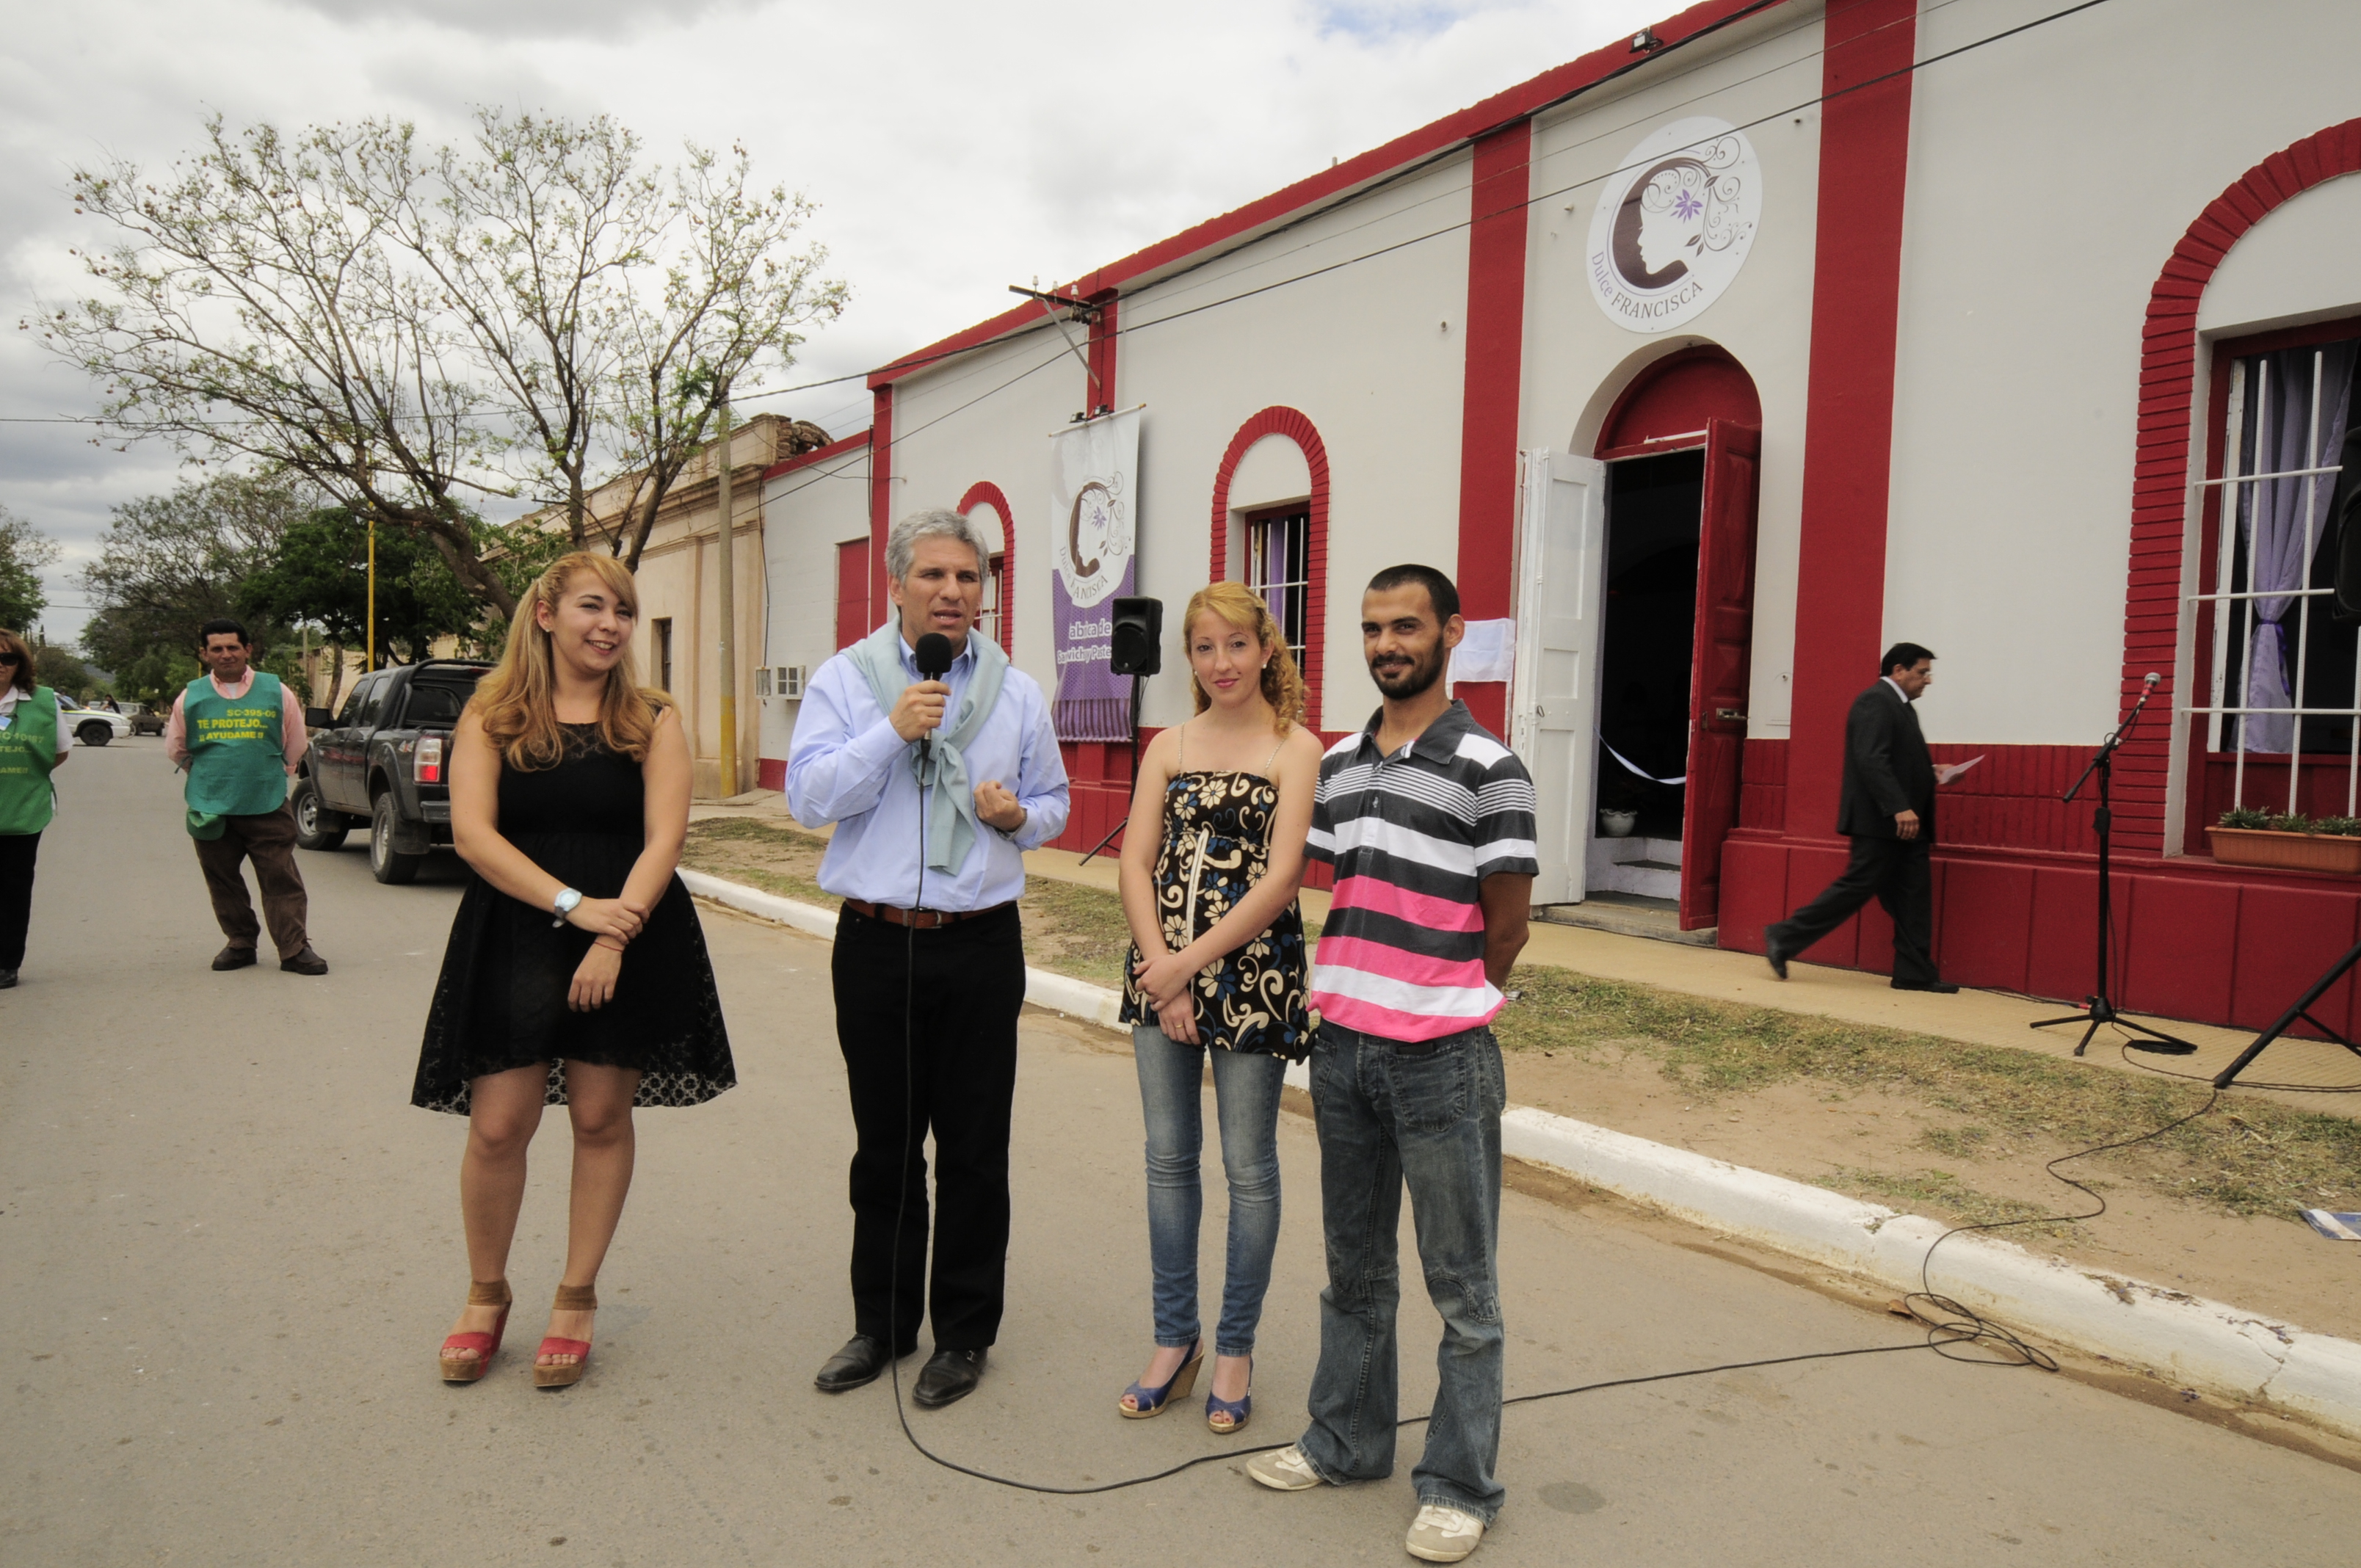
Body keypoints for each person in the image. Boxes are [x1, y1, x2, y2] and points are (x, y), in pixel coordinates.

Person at [1247, 565, 1535, 1567]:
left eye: (1406, 626)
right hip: (1346, 1055)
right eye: (1372, 629)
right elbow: (1337, 884)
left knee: (1464, 1291)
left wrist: (1442, 1000)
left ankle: (1459, 1486)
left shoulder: (1492, 767)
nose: (1386, 644)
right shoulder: (1340, 762)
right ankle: (1346, 1441)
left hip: (1442, 1061)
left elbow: (1508, 927)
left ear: (1451, 631)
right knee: (1354, 1274)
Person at [413, 552, 735, 1389]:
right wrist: (570, 907)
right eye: (595, 607)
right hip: (519, 930)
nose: (611, 626)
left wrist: (611, 934)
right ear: (547, 613)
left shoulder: (652, 717)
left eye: (624, 612)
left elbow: (665, 837)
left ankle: (576, 1296)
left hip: (629, 931)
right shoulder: (492, 712)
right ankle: (486, 1293)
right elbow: (476, 837)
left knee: (598, 1118)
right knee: (498, 1125)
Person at [788, 507, 1070, 1411]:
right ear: (898, 586)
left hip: (980, 943)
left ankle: (963, 1336)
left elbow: (1055, 803)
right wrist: (893, 730)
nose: (953, 593)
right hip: (876, 942)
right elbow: (806, 798)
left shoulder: (1017, 693)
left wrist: (1017, 819)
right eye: (936, 577)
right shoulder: (849, 680)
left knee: (977, 1151)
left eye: (970, 579)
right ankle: (881, 1325)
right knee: (887, 1147)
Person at [1114, 583, 1322, 1433]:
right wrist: (1161, 969)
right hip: (1161, 967)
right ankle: (1175, 1339)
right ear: (1190, 658)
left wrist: (1189, 969)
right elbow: (1135, 861)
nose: (1222, 663)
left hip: (1253, 977)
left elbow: (1282, 879)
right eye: (1205, 647)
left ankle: (1234, 1345)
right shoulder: (1169, 743)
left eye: (1237, 644)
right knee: (1168, 1159)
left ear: (1265, 649)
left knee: (1249, 1168)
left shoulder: (1295, 747)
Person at [1763, 642, 1965, 993]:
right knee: (1857, 887)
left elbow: (1894, 760)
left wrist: (1933, 770)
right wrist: (1899, 807)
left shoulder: (1901, 707)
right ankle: (1783, 936)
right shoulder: (1875, 701)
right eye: (1922, 672)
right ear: (1898, 671)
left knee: (1913, 898)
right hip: (1882, 823)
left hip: (1907, 825)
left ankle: (1914, 973)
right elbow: (1871, 760)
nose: (1927, 680)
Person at [164, 620, 326, 976]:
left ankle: (294, 948)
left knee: (280, 876)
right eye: (217, 649)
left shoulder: (276, 691)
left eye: (233, 647)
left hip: (266, 801)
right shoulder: (190, 696)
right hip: (211, 806)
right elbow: (178, 748)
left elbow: (295, 743)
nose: (226, 655)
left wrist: (264, 773)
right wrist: (214, 775)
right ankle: (240, 943)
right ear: (205, 654)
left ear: (248, 650)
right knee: (222, 878)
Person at [0, 627, 72, 990]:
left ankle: (7, 963)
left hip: (22, 811)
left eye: (7, 658)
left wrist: (24, 778)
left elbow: (60, 750)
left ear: (19, 664)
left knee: (13, 888)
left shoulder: (42, 701)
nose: (0, 665)